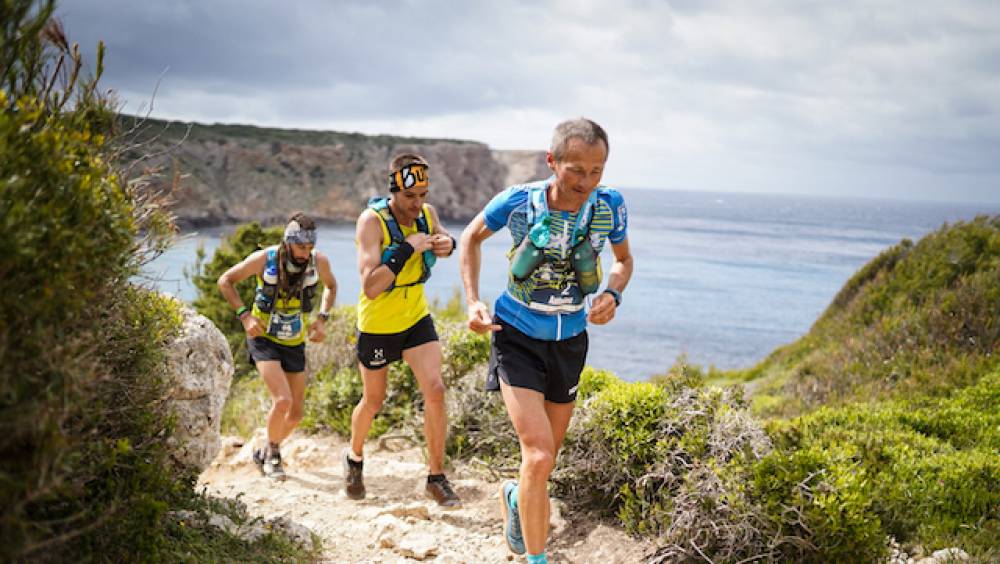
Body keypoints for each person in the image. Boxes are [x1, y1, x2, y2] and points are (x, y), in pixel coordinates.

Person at [459, 118, 633, 563]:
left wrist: (613, 293)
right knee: (537, 456)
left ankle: (516, 498)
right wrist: (473, 301)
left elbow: (623, 260)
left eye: (597, 171)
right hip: (516, 335)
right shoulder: (519, 202)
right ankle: (538, 558)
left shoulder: (610, 205)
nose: (586, 182)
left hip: (570, 342)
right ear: (552, 161)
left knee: (545, 459)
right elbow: (471, 238)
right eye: (576, 170)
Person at [345, 153, 461, 507]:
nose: (417, 204)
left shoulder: (427, 214)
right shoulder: (371, 222)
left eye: (422, 195)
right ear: (393, 191)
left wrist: (448, 244)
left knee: (435, 390)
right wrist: (406, 249)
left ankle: (436, 477)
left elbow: (442, 240)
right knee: (374, 400)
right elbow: (370, 286)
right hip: (379, 325)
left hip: (415, 318)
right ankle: (354, 457)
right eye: (410, 196)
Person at [217, 212, 338, 481]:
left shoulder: (319, 262)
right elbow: (226, 281)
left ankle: (264, 450)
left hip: (294, 342)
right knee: (282, 400)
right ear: (288, 242)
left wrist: (322, 319)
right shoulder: (265, 259)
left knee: (295, 415)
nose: (305, 253)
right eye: (301, 246)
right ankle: (273, 454)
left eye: (310, 247)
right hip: (264, 338)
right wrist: (245, 316)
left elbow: (331, 286)